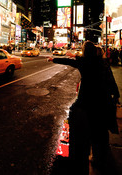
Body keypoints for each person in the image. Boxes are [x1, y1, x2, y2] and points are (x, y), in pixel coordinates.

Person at [48, 41, 120, 175]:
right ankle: (99, 158)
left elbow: (68, 62)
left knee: (81, 128)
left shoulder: (84, 62)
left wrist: (54, 59)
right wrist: (116, 95)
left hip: (86, 102)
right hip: (102, 102)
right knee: (100, 132)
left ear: (86, 52)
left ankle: (77, 157)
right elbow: (111, 81)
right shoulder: (103, 63)